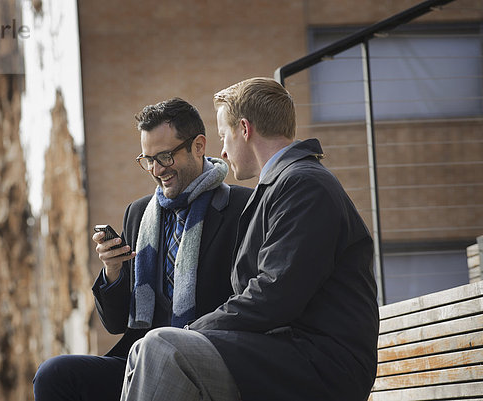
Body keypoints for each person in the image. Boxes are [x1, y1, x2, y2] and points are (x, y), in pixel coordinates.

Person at [120, 78, 380, 401]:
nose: (224, 151)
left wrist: (191, 331)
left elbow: (273, 295)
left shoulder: (304, 185)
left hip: (323, 366)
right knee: (144, 350)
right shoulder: (282, 185)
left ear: (244, 129)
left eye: (223, 137)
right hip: (285, 353)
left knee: (164, 348)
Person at [33, 97, 253, 401]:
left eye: (164, 156)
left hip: (203, 358)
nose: (155, 169)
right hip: (137, 359)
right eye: (147, 159)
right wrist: (112, 272)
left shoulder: (243, 208)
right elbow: (114, 324)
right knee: (54, 374)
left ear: (199, 146)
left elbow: (250, 302)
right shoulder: (138, 214)